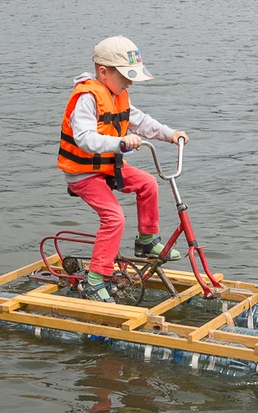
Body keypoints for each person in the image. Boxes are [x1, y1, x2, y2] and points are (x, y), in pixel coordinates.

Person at [57, 36, 187, 303]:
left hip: (108, 166)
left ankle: (147, 241)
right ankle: (95, 278)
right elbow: (84, 138)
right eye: (126, 77)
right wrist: (121, 142)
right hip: (83, 173)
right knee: (114, 218)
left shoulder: (118, 95)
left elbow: (142, 122)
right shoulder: (86, 98)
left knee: (148, 183)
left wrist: (171, 134)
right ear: (104, 72)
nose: (130, 83)